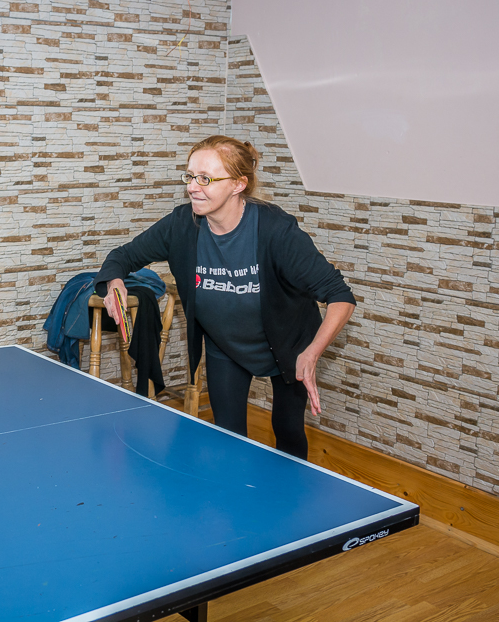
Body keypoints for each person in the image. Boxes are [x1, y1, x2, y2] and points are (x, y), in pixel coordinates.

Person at [94, 135, 356, 460]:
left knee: (288, 431)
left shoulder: (276, 231)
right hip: (226, 346)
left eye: (205, 179)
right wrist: (114, 282)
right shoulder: (181, 225)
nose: (192, 187)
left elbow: (340, 296)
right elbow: (122, 256)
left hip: (290, 344)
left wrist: (312, 353)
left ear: (238, 184)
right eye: (190, 176)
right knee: (228, 438)